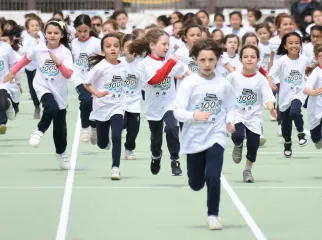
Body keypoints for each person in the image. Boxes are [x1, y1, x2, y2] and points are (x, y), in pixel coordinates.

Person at [174, 38, 236, 230]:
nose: (207, 64)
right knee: (196, 183)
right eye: (202, 60)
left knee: (213, 175)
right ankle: (195, 179)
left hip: (216, 135)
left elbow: (231, 106)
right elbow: (177, 111)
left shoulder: (223, 84)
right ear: (195, 60)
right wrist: (194, 115)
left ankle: (213, 215)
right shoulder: (189, 83)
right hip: (193, 138)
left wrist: (230, 120)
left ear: (217, 59)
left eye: (211, 59)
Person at [3, 19, 73, 170]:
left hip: (59, 90)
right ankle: (39, 131)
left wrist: (59, 63)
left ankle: (61, 153)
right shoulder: (38, 49)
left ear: (61, 35)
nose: (52, 35)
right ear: (44, 34)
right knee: (50, 108)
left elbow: (68, 75)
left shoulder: (65, 52)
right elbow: (24, 60)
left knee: (60, 127)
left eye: (56, 33)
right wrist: (12, 72)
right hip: (42, 86)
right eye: (49, 33)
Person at [129, 28, 188, 176]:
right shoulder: (145, 64)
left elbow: (183, 71)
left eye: (168, 44)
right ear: (152, 45)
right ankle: (156, 156)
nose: (167, 47)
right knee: (156, 139)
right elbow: (156, 79)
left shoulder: (171, 61)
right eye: (163, 44)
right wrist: (171, 63)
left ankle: (175, 160)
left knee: (171, 129)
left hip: (170, 103)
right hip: (153, 106)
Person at [228, 45, 276, 183]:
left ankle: (247, 170)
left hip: (254, 116)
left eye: (253, 57)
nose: (249, 59)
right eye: (246, 57)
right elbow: (223, 92)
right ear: (241, 59)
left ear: (258, 60)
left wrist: (272, 109)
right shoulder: (233, 77)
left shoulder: (261, 80)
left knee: (253, 145)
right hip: (237, 113)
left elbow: (268, 98)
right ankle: (237, 145)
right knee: (237, 135)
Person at [85, 33, 127, 180]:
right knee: (102, 144)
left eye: (116, 46)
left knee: (116, 136)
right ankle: (95, 129)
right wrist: (96, 93)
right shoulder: (100, 67)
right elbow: (87, 83)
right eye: (108, 47)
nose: (113, 49)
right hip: (101, 107)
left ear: (121, 49)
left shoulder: (124, 66)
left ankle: (115, 168)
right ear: (103, 51)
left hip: (118, 107)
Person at [268, 32, 310, 158]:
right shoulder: (282, 61)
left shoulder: (305, 60)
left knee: (295, 112)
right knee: (285, 126)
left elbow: (310, 74)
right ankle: (287, 143)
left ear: (301, 45)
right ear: (285, 46)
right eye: (290, 43)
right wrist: (271, 84)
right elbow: (270, 74)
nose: (294, 45)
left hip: (299, 93)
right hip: (285, 96)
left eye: (297, 43)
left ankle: (301, 133)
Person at [71, 14, 101, 144]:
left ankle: (94, 128)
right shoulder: (73, 43)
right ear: (75, 30)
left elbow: (101, 60)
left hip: (94, 79)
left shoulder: (96, 42)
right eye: (79, 31)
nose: (82, 34)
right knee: (85, 100)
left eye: (85, 31)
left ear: (90, 28)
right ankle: (85, 128)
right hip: (79, 79)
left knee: (95, 104)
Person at [120, 34, 143, 160]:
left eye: (133, 47)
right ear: (122, 48)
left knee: (133, 130)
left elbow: (147, 82)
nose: (130, 49)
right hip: (120, 102)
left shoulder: (141, 65)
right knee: (121, 124)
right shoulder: (118, 62)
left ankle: (129, 149)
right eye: (128, 46)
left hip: (135, 101)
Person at [304, 43, 322, 149]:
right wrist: (314, 92)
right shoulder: (316, 72)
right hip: (316, 109)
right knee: (317, 141)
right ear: (317, 58)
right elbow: (306, 89)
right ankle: (316, 139)